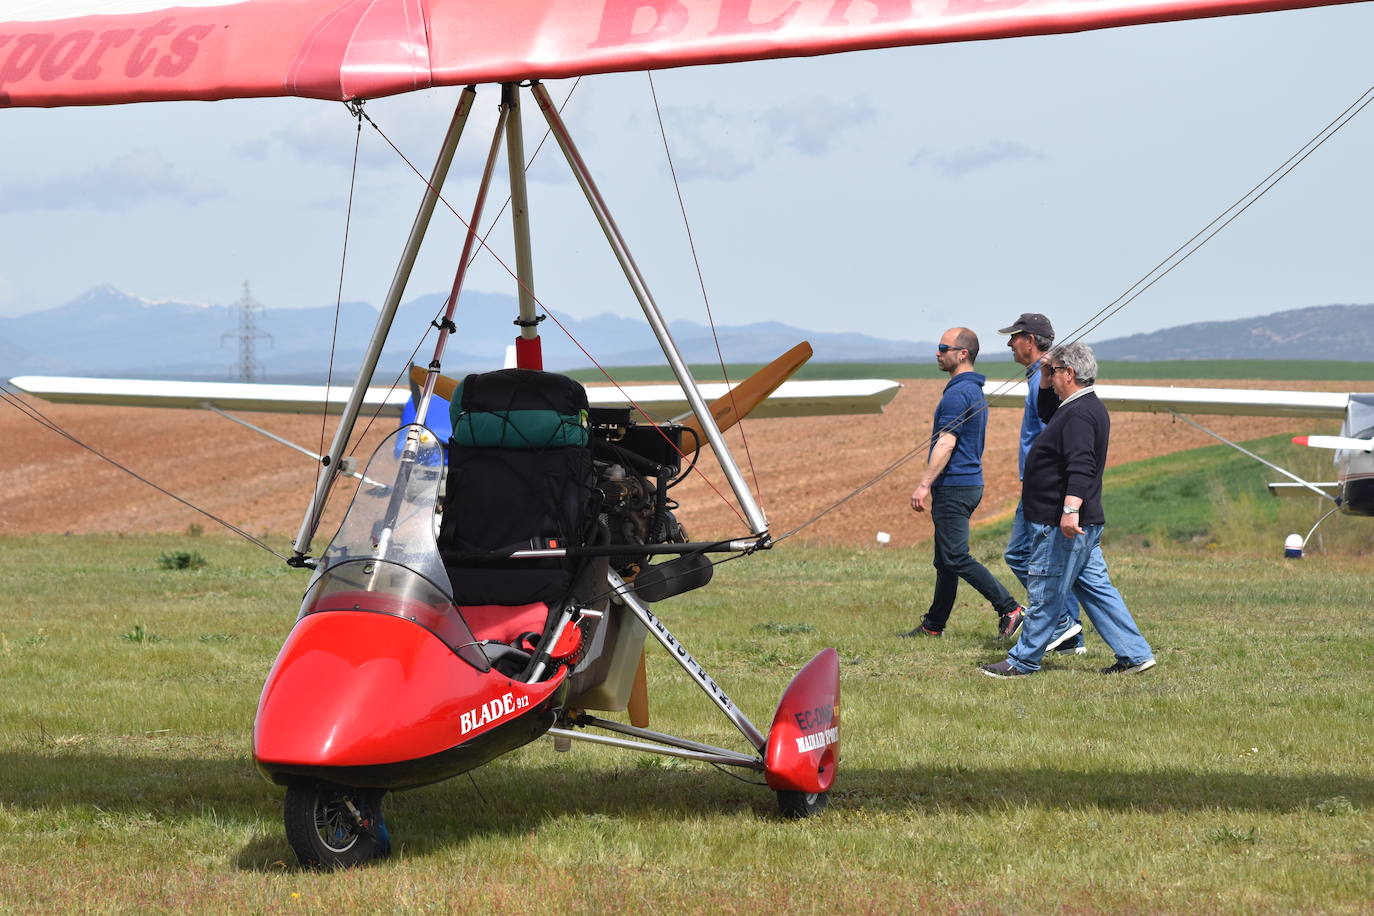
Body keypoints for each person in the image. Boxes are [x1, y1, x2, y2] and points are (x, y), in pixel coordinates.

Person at [979, 342, 1156, 678]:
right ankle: (1135, 654)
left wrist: (1070, 510)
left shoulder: (1078, 414)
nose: (1052, 375)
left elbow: (1081, 465)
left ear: (1070, 373)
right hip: (1081, 521)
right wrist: (1045, 376)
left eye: (1056, 370)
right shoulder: (1077, 407)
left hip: (1062, 522)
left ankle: (1023, 660)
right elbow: (1046, 412)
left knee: (1045, 589)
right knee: (1097, 590)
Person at [906, 328, 1024, 640]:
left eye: (943, 347)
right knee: (945, 559)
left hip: (955, 486)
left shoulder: (958, 394)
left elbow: (946, 443)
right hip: (966, 484)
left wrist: (923, 484)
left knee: (955, 556)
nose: (937, 352)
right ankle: (934, 625)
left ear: (962, 354)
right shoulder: (972, 390)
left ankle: (1010, 609)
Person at [998, 313, 1085, 656]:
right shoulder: (1038, 376)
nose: (1009, 344)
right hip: (1040, 480)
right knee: (1058, 563)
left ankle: (1062, 622)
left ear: (1029, 341)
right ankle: (1070, 638)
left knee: (1019, 554)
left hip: (1040, 483)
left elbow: (1052, 429)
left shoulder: (1041, 381)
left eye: (1013, 337)